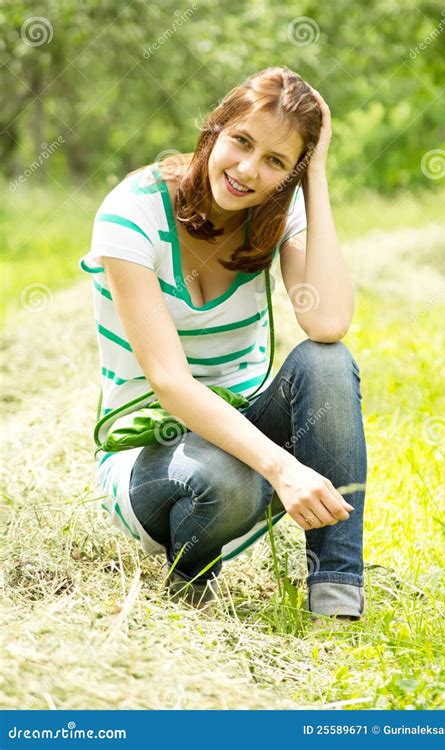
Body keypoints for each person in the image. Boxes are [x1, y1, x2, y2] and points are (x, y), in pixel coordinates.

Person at [79, 66, 367, 620]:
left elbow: (328, 321)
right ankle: (190, 572)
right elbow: (170, 383)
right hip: (150, 453)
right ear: (216, 128)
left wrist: (317, 176)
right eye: (241, 141)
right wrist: (283, 469)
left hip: (243, 433)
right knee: (225, 475)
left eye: (276, 162)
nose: (248, 170)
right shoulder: (133, 211)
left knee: (326, 362)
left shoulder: (274, 212)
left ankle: (335, 598)